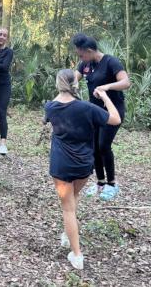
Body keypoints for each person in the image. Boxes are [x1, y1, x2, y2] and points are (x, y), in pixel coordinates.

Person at [44, 69, 121, 270]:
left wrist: (62, 91)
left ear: (58, 85)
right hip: (83, 165)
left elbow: (52, 106)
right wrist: (104, 96)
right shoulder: (87, 108)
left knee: (67, 208)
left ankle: (76, 255)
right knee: (73, 199)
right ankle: (67, 234)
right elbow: (115, 119)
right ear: (75, 84)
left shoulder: (50, 107)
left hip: (61, 165)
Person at [73, 33, 131, 201]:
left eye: (82, 54)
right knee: (94, 147)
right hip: (94, 112)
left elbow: (126, 83)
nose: (81, 57)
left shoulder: (110, 62)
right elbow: (75, 76)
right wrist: (74, 83)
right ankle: (100, 182)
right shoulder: (85, 63)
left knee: (103, 145)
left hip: (112, 111)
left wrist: (106, 86)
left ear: (90, 50)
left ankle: (112, 184)